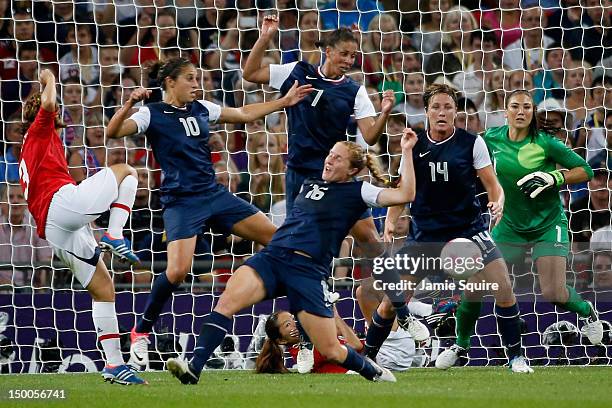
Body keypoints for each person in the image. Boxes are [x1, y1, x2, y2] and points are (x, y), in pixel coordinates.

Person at [165, 129, 418, 384]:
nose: (329, 160)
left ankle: (371, 370)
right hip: (273, 258)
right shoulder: (309, 183)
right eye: (329, 155)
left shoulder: (360, 192)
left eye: (338, 158)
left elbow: (405, 195)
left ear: (352, 170)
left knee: (331, 349)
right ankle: (193, 369)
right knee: (226, 302)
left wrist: (406, 151)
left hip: (307, 270)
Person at [106, 57, 313, 369]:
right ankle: (141, 331)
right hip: (181, 202)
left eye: (197, 78)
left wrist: (282, 101)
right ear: (170, 82)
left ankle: (301, 321)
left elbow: (243, 113)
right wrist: (129, 104)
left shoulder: (201, 107)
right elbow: (114, 131)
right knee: (176, 272)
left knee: (279, 239)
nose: (196, 84)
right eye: (189, 78)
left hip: (214, 195)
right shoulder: (152, 113)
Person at [378, 84, 533, 373]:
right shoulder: (413, 143)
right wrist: (389, 220)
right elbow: (402, 189)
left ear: (455, 112)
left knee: (503, 287)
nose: (442, 112)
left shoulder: (472, 143)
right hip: (425, 234)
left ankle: (516, 357)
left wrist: (498, 202)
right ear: (426, 111)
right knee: (391, 302)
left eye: (448, 107)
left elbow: (493, 186)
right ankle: (367, 359)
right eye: (436, 107)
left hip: (468, 230)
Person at [18, 69, 146, 384]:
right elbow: (48, 106)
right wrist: (48, 78)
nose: (57, 110)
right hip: (59, 205)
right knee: (126, 171)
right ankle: (115, 233)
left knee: (103, 288)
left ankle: (115, 365)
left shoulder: (34, 145)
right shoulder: (40, 130)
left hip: (53, 228)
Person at [475, 89, 604, 348]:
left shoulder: (546, 143)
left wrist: (553, 178)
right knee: (481, 282)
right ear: (505, 111)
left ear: (533, 112)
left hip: (548, 224)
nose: (520, 111)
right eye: (515, 106)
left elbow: (586, 170)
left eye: (526, 107)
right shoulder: (489, 139)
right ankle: (467, 342)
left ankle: (587, 312)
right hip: (509, 224)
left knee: (553, 292)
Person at [255, 308, 420, 374]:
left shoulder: (312, 340)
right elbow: (357, 345)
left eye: (292, 318)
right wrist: (334, 315)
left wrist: (333, 316)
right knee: (369, 291)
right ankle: (414, 309)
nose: (295, 323)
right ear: (281, 340)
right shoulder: (310, 349)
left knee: (370, 291)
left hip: (382, 356)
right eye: (287, 324)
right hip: (389, 357)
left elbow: (347, 337)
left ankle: (409, 308)